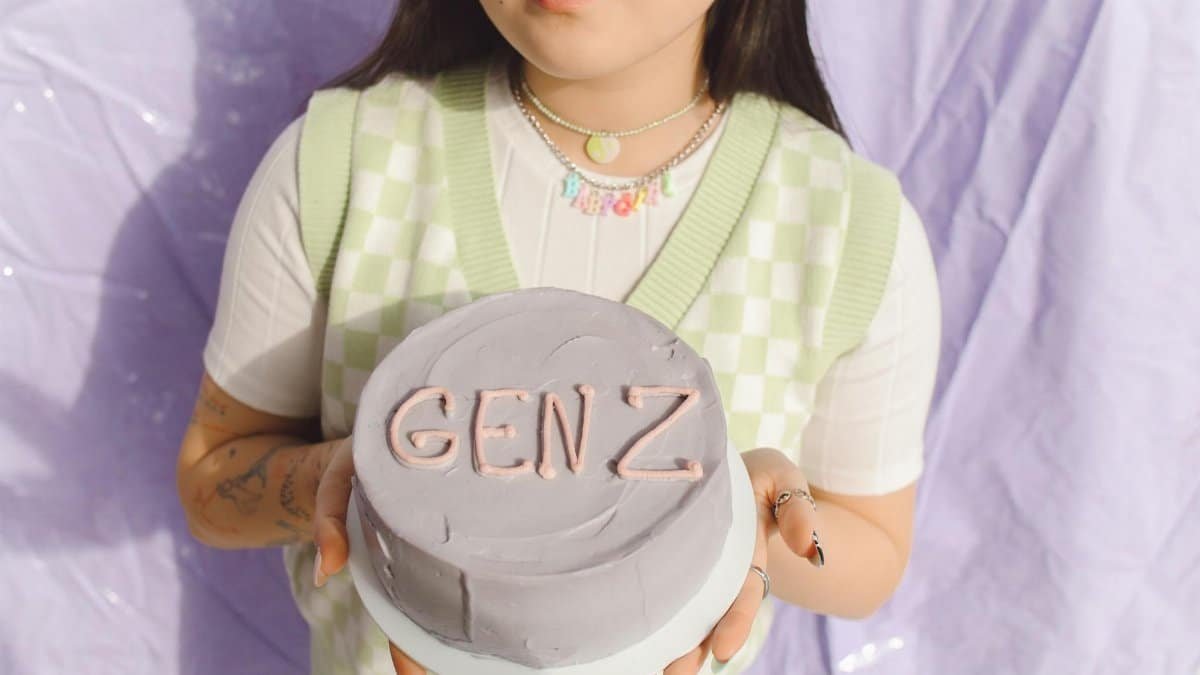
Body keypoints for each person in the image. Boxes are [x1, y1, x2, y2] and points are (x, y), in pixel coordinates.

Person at [176, 0, 942, 673]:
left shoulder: (846, 228)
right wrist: (349, 482)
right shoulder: (340, 166)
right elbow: (212, 481)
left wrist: (739, 514)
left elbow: (874, 553)